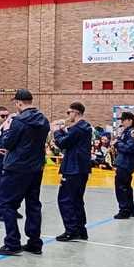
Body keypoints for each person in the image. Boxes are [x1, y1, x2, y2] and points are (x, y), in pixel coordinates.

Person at [0, 89, 50, 256]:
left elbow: (7, 144)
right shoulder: (43, 120)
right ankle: (34, 242)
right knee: (33, 204)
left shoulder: (18, 121)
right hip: (36, 168)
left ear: (18, 103)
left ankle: (12, 242)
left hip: (17, 168)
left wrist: (7, 129)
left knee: (6, 204)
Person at [53, 102, 93, 242]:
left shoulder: (78, 128)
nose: (67, 115)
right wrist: (64, 130)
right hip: (81, 168)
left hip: (73, 168)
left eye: (69, 112)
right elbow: (72, 139)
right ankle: (80, 229)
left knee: (65, 199)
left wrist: (56, 131)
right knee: (77, 200)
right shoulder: (85, 127)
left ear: (76, 112)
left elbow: (63, 143)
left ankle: (71, 230)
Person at [112, 112, 134, 219]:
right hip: (125, 163)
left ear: (130, 120)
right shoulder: (127, 132)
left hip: (126, 163)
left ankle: (124, 210)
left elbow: (130, 148)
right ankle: (130, 210)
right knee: (126, 187)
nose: (122, 122)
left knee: (121, 188)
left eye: (123, 120)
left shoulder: (132, 132)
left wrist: (117, 143)